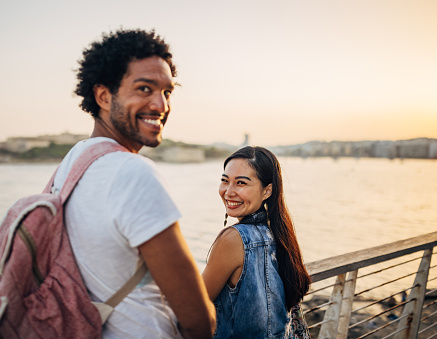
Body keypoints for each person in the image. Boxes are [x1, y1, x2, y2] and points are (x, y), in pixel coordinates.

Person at [51, 29, 216, 338]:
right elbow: (197, 319)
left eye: (167, 92)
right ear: (103, 95)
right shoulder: (132, 173)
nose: (161, 105)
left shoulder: (73, 163)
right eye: (144, 88)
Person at [202, 146, 311, 338]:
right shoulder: (279, 234)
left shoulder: (233, 239)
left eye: (241, 183)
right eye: (225, 181)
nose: (228, 192)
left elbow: (196, 305)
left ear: (267, 190)